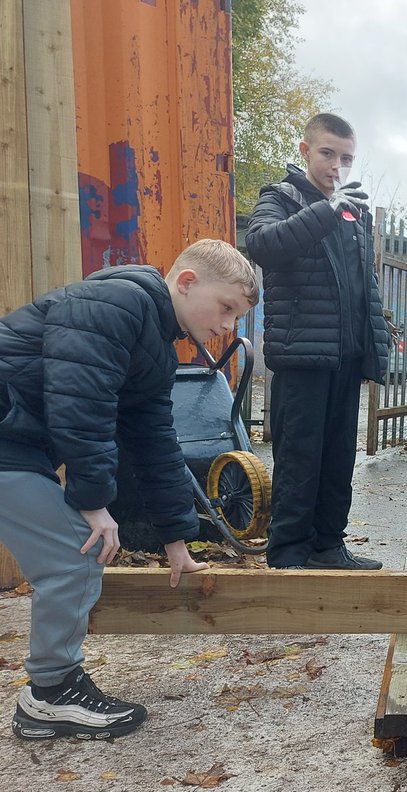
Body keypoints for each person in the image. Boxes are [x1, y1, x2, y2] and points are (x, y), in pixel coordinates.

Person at [0, 239, 259, 739]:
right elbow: (81, 403)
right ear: (186, 282)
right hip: (9, 440)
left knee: (75, 553)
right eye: (226, 308)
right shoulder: (116, 304)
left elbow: (155, 443)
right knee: (74, 555)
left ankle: (52, 690)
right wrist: (94, 503)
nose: (229, 326)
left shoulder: (155, 346)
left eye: (237, 317)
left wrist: (176, 539)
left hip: (18, 442)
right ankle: (50, 694)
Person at [247, 113, 391, 570]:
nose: (337, 166)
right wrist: (326, 210)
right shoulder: (280, 198)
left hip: (346, 357)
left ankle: (329, 547)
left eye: (346, 158)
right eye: (328, 153)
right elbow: (262, 245)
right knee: (299, 459)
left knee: (338, 460)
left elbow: (363, 285)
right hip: (302, 357)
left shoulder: (354, 212)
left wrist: (374, 342)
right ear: (306, 150)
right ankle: (288, 555)